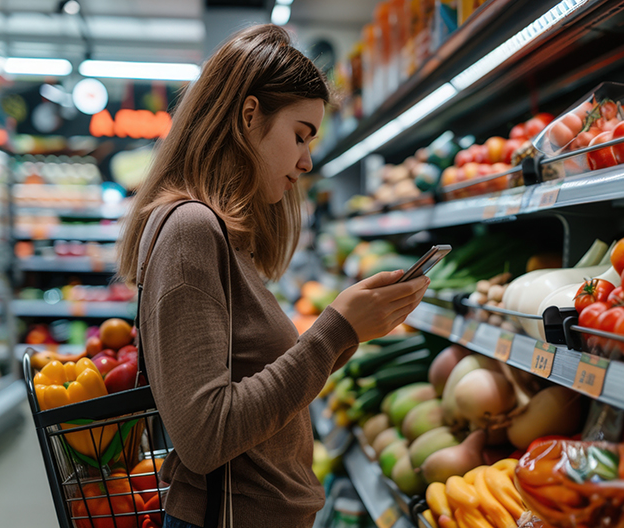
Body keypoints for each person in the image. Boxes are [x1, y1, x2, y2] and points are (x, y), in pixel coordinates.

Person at [117, 24, 429, 528]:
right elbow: (205, 438)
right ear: (248, 116)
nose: (307, 160)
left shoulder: (220, 235)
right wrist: (335, 331)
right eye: (300, 135)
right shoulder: (191, 228)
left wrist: (354, 328)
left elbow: (256, 384)